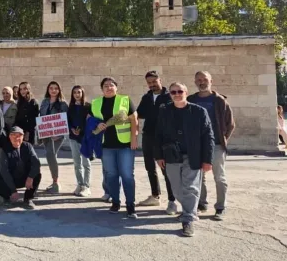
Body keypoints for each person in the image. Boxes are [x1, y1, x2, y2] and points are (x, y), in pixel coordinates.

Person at [155, 82, 214, 237]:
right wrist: (159, 156)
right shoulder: (164, 111)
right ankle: (188, 209)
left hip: (193, 155)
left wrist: (208, 160)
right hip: (171, 156)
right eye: (173, 92)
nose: (177, 94)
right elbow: (158, 135)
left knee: (191, 187)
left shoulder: (199, 111)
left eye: (180, 91)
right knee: (176, 188)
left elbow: (209, 136)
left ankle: (188, 218)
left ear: (186, 92)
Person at [188, 71, 235, 220]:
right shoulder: (190, 99)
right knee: (198, 176)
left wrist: (223, 139)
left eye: (205, 79)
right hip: (196, 145)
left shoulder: (220, 100)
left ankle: (221, 207)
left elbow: (231, 124)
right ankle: (201, 204)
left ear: (211, 81)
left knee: (219, 177)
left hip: (216, 145)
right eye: (199, 80)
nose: (202, 82)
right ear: (195, 82)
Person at [90, 77, 139, 218]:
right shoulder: (96, 103)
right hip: (106, 145)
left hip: (125, 144)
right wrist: (96, 125)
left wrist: (134, 138)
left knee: (127, 175)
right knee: (111, 175)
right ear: (102, 89)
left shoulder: (125, 100)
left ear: (116, 88)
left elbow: (134, 119)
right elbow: (91, 120)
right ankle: (115, 202)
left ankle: (130, 205)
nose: (109, 87)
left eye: (111, 85)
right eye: (105, 85)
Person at [136, 71, 177, 214]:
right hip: (148, 136)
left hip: (165, 138)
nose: (152, 85)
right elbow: (139, 113)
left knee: (166, 170)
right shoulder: (146, 97)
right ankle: (155, 195)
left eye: (154, 81)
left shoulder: (169, 96)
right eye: (149, 83)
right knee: (150, 168)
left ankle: (172, 201)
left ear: (160, 80)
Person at [0, 126, 42, 209]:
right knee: (0, 176)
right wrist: (13, 190)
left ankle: (28, 199)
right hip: (11, 178)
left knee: (37, 175)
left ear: (23, 137)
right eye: (13, 135)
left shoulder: (28, 146)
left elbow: (36, 163)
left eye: (19, 135)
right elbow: (4, 171)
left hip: (24, 178)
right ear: (9, 137)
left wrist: (30, 177)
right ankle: (6, 198)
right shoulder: (4, 149)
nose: (16, 138)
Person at [39, 81, 69, 193]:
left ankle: (56, 182)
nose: (53, 90)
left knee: (50, 154)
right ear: (48, 90)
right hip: (46, 134)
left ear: (59, 90)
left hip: (57, 135)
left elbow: (65, 120)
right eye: (51, 88)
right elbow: (41, 116)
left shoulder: (63, 104)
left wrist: (58, 134)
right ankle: (54, 182)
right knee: (50, 156)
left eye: (56, 88)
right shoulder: (44, 102)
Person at [66, 85, 91, 197]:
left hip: (85, 138)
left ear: (82, 93)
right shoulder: (70, 107)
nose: (77, 94)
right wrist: (72, 129)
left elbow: (89, 121)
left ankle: (86, 186)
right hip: (73, 137)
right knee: (77, 163)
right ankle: (80, 184)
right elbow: (68, 121)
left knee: (86, 163)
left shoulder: (88, 106)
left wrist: (80, 129)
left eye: (79, 92)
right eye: (75, 92)